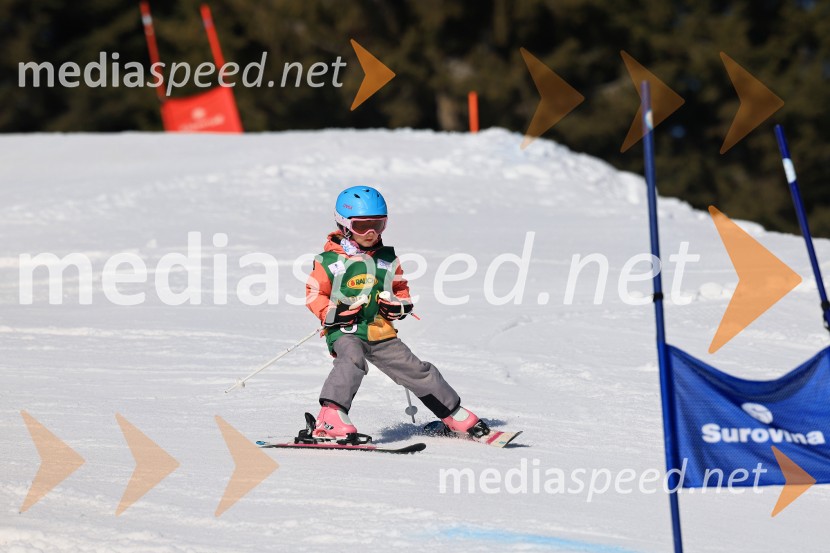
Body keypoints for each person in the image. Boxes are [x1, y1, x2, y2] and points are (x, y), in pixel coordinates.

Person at [305, 185, 486, 442]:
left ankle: (453, 415)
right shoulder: (328, 261)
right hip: (346, 330)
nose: (370, 233)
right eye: (361, 226)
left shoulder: (388, 259)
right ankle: (330, 417)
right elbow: (313, 294)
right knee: (352, 359)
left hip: (380, 330)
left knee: (418, 370)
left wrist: (400, 306)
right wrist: (331, 313)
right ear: (344, 225)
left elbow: (400, 289)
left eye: (377, 225)